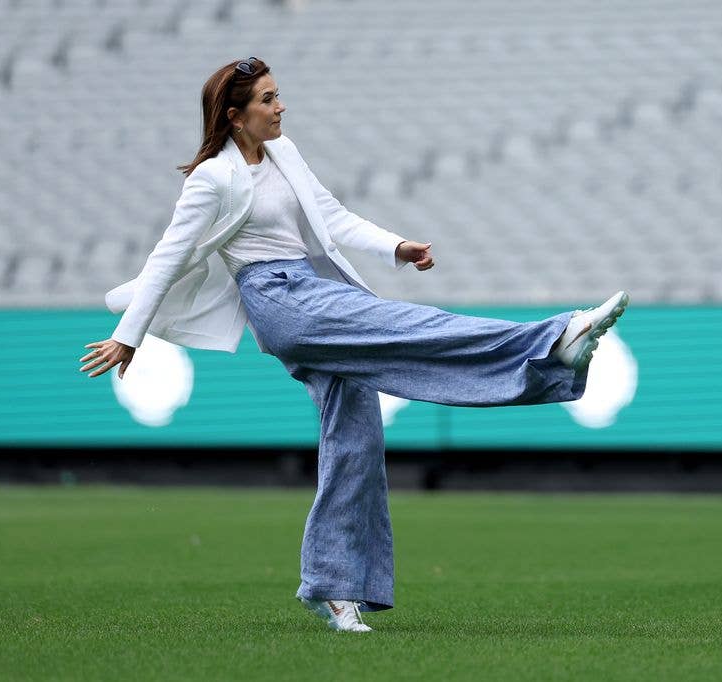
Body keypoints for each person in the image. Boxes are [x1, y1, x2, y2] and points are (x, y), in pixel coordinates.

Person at [78, 57, 629, 633]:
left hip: (308, 287)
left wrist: (397, 247)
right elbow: (168, 256)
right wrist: (128, 337)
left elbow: (331, 217)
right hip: (278, 301)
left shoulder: (284, 154)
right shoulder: (211, 178)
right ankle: (553, 341)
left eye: (278, 94)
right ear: (236, 117)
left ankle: (334, 588)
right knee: (410, 327)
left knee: (355, 435)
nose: (280, 106)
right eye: (267, 100)